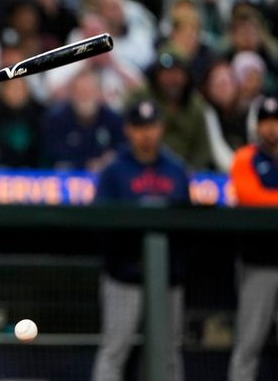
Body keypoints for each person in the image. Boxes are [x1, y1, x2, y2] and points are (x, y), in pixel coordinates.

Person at [92, 99, 189, 381]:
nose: (146, 134)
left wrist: (176, 268)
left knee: (169, 352)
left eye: (151, 126)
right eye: (139, 127)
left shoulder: (175, 169)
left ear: (161, 128)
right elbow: (100, 225)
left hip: (167, 279)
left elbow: (187, 226)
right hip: (124, 277)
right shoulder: (114, 171)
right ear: (128, 130)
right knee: (115, 350)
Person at [228, 97, 278, 381]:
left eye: (277, 121)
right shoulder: (244, 158)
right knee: (248, 345)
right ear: (258, 126)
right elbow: (250, 197)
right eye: (266, 122)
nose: (272, 128)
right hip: (258, 263)